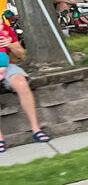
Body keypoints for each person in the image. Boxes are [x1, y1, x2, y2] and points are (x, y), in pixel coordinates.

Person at [0, 20, 51, 153]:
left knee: (21, 83)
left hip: (5, 66)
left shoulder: (4, 28)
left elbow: (21, 55)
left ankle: (36, 129)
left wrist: (10, 44)